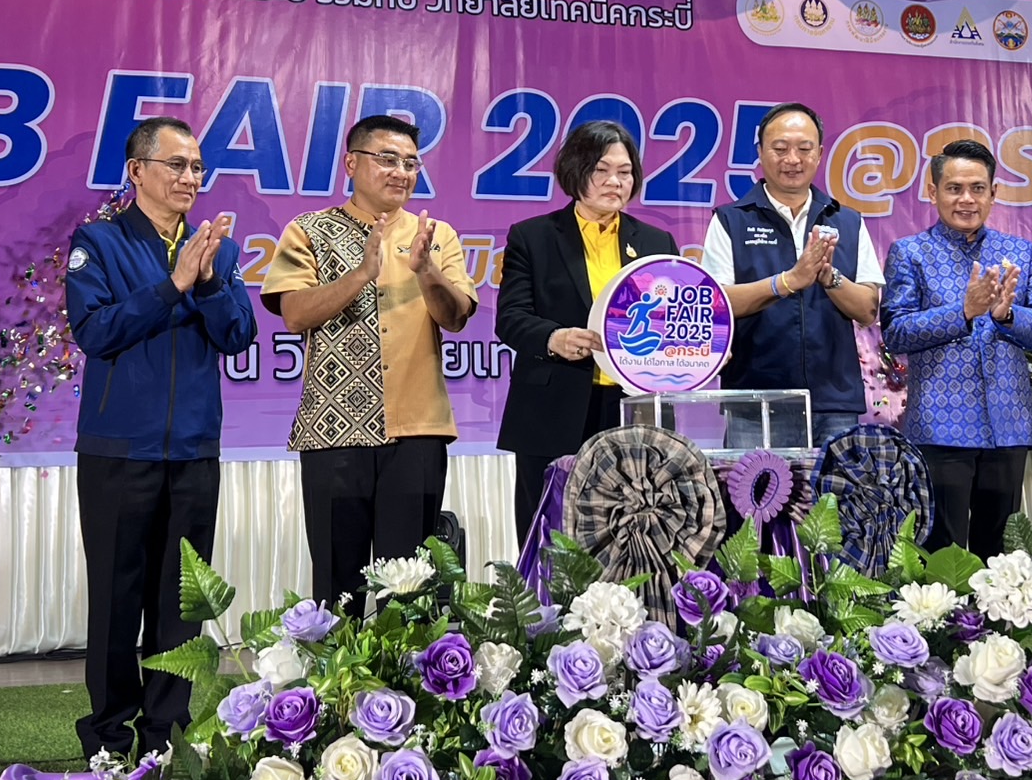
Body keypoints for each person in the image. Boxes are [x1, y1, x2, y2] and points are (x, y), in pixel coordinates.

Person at [65, 116, 257, 760]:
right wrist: (172, 285)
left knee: (182, 603)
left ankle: (165, 734)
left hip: (195, 452)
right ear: (137, 171)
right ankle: (108, 735)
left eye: (197, 167)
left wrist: (208, 282)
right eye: (176, 164)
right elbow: (95, 332)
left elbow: (238, 335)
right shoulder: (99, 241)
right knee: (117, 598)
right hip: (119, 451)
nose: (189, 177)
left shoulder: (218, 249)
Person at [261, 115, 477, 617]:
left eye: (411, 163)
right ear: (351, 163)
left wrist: (425, 270)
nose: (401, 172)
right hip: (333, 432)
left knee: (410, 589)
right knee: (339, 588)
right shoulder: (308, 230)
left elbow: (455, 317)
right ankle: (339, 671)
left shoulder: (435, 235)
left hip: (417, 430)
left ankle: (405, 673)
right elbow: (294, 314)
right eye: (387, 159)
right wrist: (361, 273)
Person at [496, 120, 678, 546]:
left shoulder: (657, 242)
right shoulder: (533, 237)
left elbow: (671, 320)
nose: (615, 182)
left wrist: (697, 346)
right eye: (602, 170)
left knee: (631, 532)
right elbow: (511, 318)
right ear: (575, 171)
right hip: (554, 406)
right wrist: (554, 338)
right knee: (550, 533)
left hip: (631, 407)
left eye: (625, 171)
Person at [881, 139, 1032, 560]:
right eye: (954, 188)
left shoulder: (1020, 253)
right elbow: (896, 332)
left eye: (977, 188)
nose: (967, 199)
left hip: (1007, 427)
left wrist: (1007, 316)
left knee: (1003, 558)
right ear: (933, 191)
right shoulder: (911, 253)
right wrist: (963, 312)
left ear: (994, 193)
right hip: (941, 427)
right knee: (943, 559)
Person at [702, 103, 882, 447]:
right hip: (755, 400)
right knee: (755, 485)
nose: (793, 159)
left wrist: (829, 277)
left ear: (820, 154)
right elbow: (717, 303)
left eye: (804, 148)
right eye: (780, 148)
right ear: (760, 152)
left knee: (834, 485)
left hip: (834, 401)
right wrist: (786, 282)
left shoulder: (847, 220)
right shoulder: (731, 220)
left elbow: (868, 309)